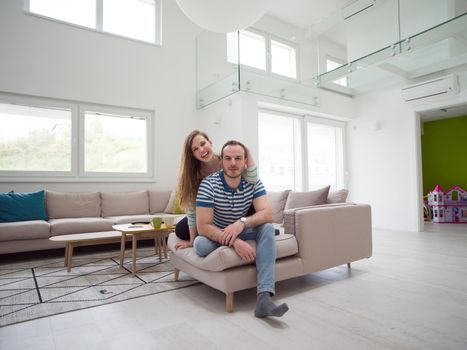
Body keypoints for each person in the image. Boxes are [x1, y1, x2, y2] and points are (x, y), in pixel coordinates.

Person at [194, 140, 289, 318]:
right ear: (221, 161)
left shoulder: (253, 182)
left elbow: (268, 213)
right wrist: (235, 242)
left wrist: (242, 223)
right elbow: (203, 226)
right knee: (200, 244)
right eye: (228, 158)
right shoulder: (208, 184)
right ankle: (259, 240)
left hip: (242, 228)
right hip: (217, 232)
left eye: (238, 158)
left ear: (245, 161)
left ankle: (264, 298)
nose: (233, 163)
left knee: (267, 227)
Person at [174, 130, 257, 250]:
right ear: (192, 155)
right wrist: (192, 242)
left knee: (254, 208)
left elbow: (253, 180)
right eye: (195, 149)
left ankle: (241, 232)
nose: (201, 150)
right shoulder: (193, 176)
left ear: (210, 143)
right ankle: (223, 234)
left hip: (238, 207)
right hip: (212, 212)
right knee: (181, 229)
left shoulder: (227, 160)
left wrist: (247, 151)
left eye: (203, 144)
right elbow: (192, 210)